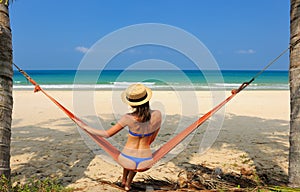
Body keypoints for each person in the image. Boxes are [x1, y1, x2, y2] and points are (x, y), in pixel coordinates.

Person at [79, 83, 162, 191]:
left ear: (132, 104)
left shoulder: (128, 118)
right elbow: (154, 136)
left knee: (127, 153)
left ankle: (123, 180)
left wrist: (85, 127)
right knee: (135, 165)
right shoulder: (158, 115)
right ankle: (127, 183)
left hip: (126, 159)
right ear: (146, 99)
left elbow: (107, 134)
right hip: (145, 160)